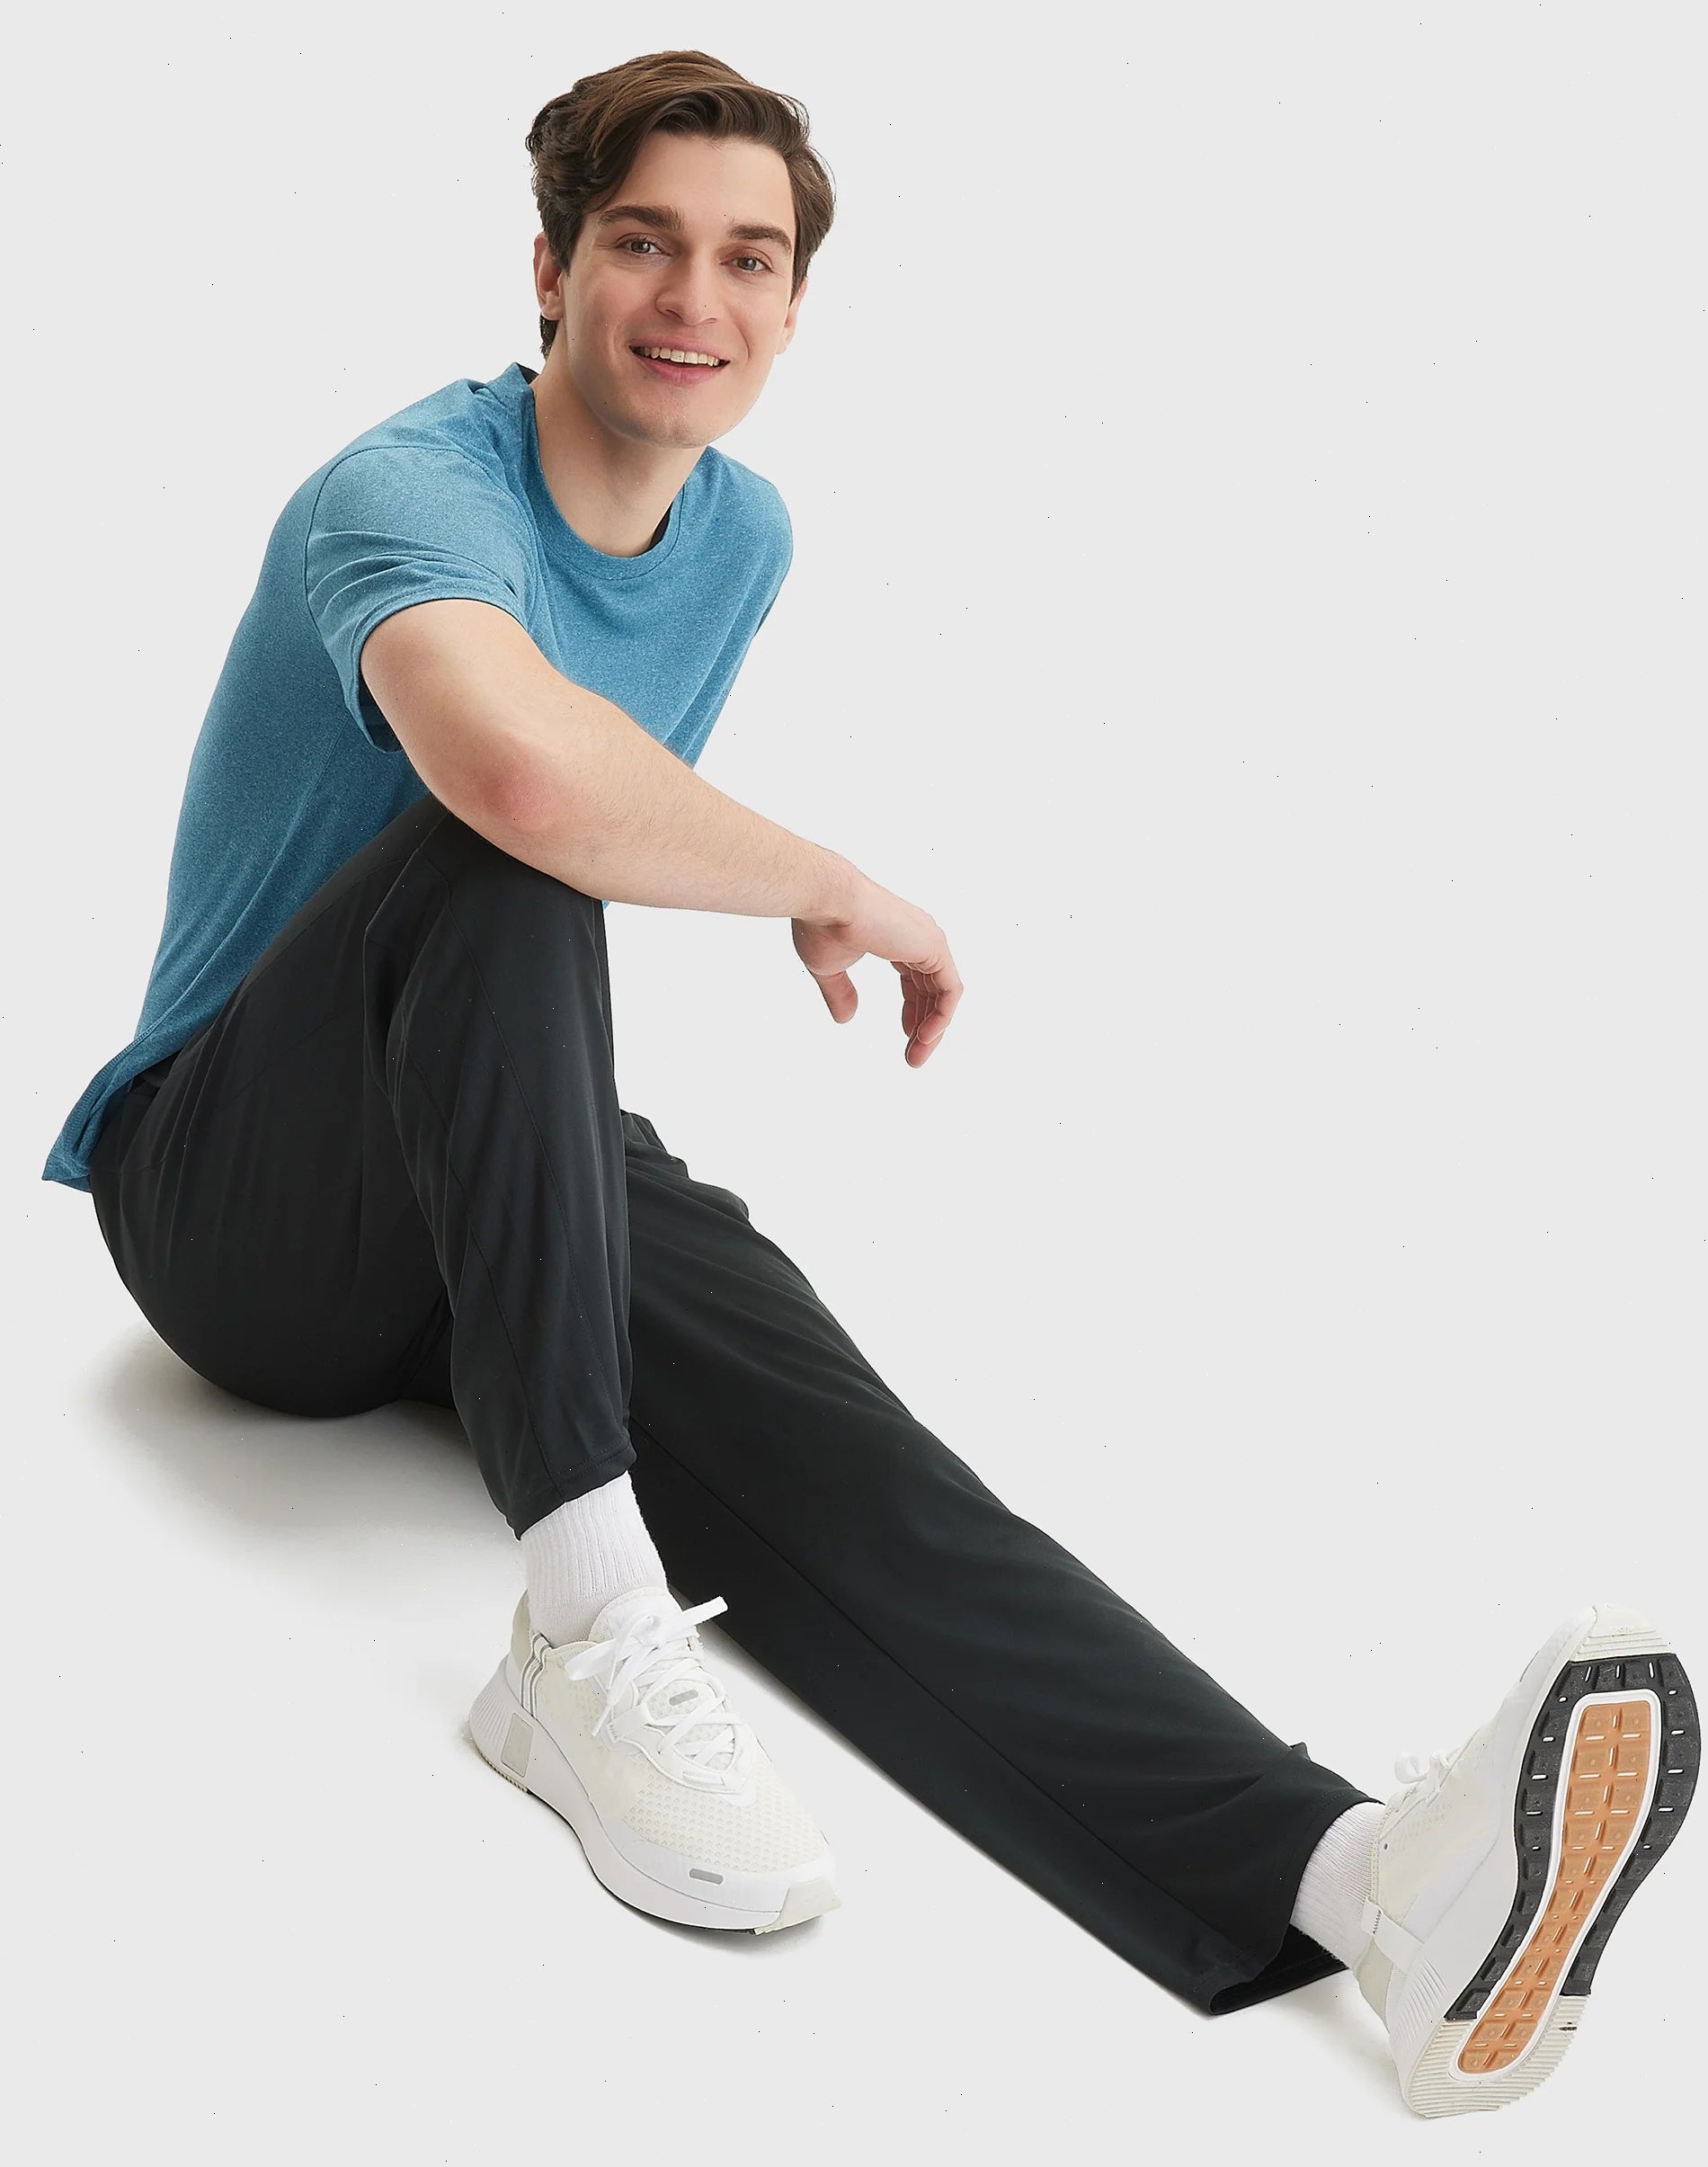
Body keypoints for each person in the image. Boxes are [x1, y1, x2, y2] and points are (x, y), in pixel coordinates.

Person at [43, 49, 1696, 2119]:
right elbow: (528, 786)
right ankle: (583, 1629)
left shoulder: (737, 537)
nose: (693, 299)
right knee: (494, 849)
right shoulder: (405, 492)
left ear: (793, 306)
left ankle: (1361, 1884)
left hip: (483, 1170)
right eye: (641, 242)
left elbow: (593, 825)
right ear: (547, 268)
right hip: (233, 1193)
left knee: (854, 1454)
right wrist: (823, 878)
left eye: (748, 259)